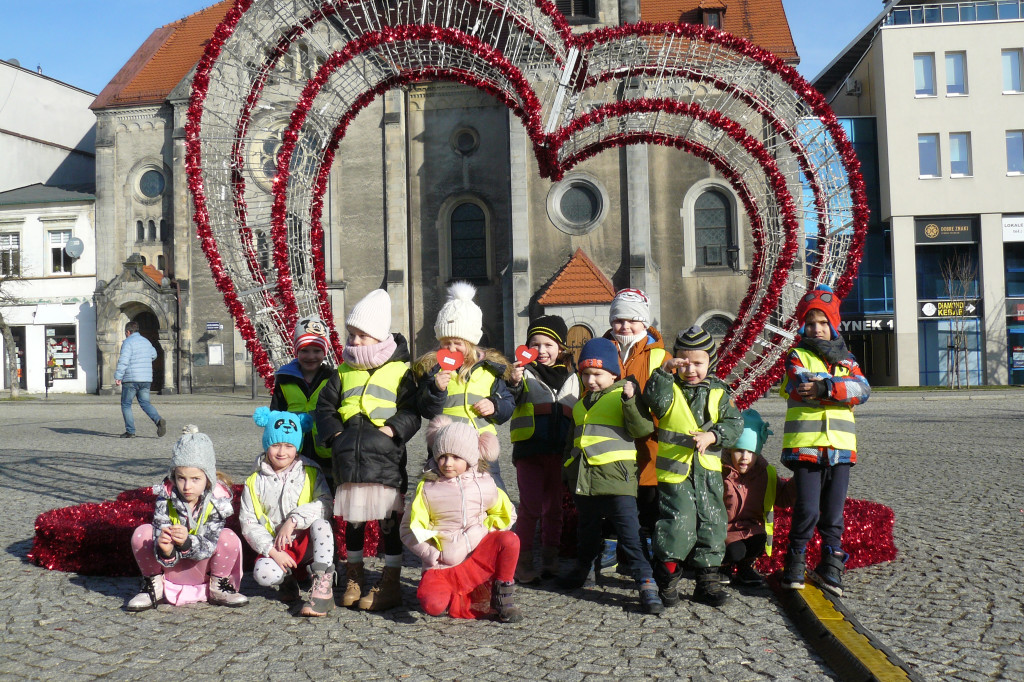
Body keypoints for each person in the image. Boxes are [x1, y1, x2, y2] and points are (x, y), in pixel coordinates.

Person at [315, 289, 420, 611]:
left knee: (388, 522)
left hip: (385, 458)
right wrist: (335, 435)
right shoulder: (342, 372)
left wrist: (392, 431)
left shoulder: (402, 370)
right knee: (354, 524)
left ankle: (390, 581)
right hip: (349, 458)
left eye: (362, 336)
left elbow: (412, 410)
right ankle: (355, 576)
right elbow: (325, 408)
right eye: (352, 335)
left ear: (378, 337)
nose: (355, 341)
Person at [557, 338, 664, 615]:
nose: (591, 380)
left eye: (597, 374)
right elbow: (572, 441)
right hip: (585, 481)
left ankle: (646, 582)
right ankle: (584, 571)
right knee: (588, 532)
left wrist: (630, 401)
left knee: (630, 534)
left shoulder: (623, 396)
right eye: (586, 374)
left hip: (618, 481)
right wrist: (568, 470)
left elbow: (641, 429)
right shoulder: (581, 405)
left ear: (614, 374)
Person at [779, 285, 870, 596]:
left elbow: (864, 391)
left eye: (822, 323)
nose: (817, 329)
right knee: (807, 508)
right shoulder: (796, 355)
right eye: (811, 323)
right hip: (806, 443)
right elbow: (803, 386)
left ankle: (831, 564)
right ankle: (795, 562)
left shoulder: (848, 359)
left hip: (841, 448)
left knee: (833, 511)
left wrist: (826, 388)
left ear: (834, 324)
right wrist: (839, 389)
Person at [643, 325, 743, 607]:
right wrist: (664, 371)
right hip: (675, 473)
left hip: (708, 473)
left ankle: (707, 582)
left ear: (710, 362)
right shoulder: (669, 388)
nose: (691, 369)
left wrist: (714, 436)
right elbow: (654, 401)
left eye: (698, 363)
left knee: (712, 524)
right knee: (678, 524)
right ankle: (667, 577)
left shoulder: (719, 392)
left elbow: (734, 424)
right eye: (684, 363)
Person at [400, 416, 522, 622]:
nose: (447, 463)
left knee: (510, 540)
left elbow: (508, 513)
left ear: (471, 458)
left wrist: (483, 529)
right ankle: (454, 594)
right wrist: (431, 553)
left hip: (476, 559)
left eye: (456, 457)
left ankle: (502, 597)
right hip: (442, 564)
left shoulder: (486, 484)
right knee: (433, 606)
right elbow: (407, 529)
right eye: (442, 456)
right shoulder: (427, 488)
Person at [126, 425, 247, 610]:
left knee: (228, 537)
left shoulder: (217, 502)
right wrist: (165, 549)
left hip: (202, 569)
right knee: (142, 533)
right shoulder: (165, 498)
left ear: (208, 478)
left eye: (195, 479)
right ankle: (153, 587)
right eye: (181, 478)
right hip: (171, 570)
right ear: (173, 476)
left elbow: (210, 544)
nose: (187, 486)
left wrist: (186, 543)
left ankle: (218, 587)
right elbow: (159, 533)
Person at [415, 281, 514, 491]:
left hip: (481, 448)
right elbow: (425, 409)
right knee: (443, 494)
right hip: (445, 447)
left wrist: (495, 405)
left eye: (458, 343)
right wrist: (435, 390)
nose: (451, 349)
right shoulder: (432, 370)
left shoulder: (490, 369)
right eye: (445, 343)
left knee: (490, 493)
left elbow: (508, 404)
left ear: (471, 342)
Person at [239, 407, 335, 617]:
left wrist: (294, 520)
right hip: (277, 545)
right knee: (264, 574)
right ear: (267, 446)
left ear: (297, 447)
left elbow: (326, 504)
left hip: (306, 542)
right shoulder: (254, 481)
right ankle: (288, 579)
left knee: (322, 525)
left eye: (289, 446)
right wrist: (273, 552)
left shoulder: (310, 472)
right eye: (275, 445)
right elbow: (249, 522)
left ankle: (322, 586)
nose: (282, 452)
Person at [508, 314, 579, 583]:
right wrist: (513, 381)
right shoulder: (522, 374)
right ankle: (523, 561)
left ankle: (551, 559)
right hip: (530, 451)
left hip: (560, 453)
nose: (542, 351)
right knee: (530, 508)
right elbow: (508, 398)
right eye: (535, 345)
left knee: (554, 510)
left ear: (560, 348)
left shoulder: (574, 377)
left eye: (548, 345)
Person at [602, 288, 667, 562]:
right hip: (610, 439)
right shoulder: (602, 349)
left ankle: (648, 548)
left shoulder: (660, 356)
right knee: (612, 497)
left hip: (649, 441)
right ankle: (611, 550)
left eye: (632, 319)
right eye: (618, 319)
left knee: (648, 496)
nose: (625, 325)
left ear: (644, 321)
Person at [720, 409, 795, 587]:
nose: (745, 457)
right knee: (736, 550)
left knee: (758, 540)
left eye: (751, 452)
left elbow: (782, 498)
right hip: (723, 531)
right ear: (730, 450)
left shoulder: (765, 472)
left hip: (750, 529)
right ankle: (722, 566)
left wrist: (800, 479)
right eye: (739, 450)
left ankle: (745, 566)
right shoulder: (720, 471)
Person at [270, 315, 336, 487]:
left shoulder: (333, 378)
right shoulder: (284, 379)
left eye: (317, 351)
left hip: (326, 452)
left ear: (325, 352)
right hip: (292, 450)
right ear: (296, 351)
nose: (311, 356)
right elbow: (275, 414)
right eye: (304, 350)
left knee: (325, 493)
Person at [114, 320, 166, 439]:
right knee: (145, 403)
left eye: (125, 333)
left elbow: (124, 361)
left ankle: (130, 431)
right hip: (146, 378)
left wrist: (118, 376)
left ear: (128, 332)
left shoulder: (128, 343)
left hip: (131, 379)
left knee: (126, 404)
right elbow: (154, 355)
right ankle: (158, 420)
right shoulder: (146, 342)